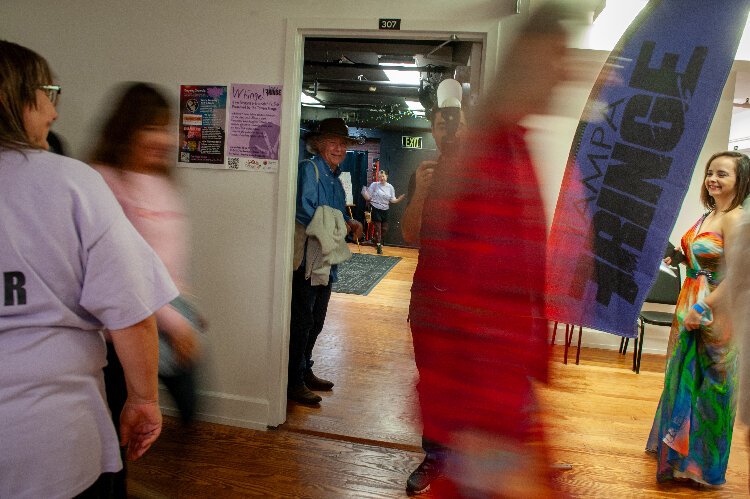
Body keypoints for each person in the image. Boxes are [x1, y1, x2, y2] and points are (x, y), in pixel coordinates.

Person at [405, 4, 576, 496]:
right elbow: (462, 296)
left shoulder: (512, 146)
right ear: (530, 60)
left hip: (501, 392)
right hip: (482, 402)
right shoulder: (488, 157)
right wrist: (485, 424)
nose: (566, 74)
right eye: (557, 59)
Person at [0, 40, 178, 497]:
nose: (54, 113)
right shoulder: (72, 183)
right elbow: (132, 312)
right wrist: (143, 400)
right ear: (17, 98)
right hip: (46, 433)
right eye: (47, 93)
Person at [647, 151, 750, 486]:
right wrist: (678, 254)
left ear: (741, 180)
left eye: (723, 174)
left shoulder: (736, 219)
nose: (713, 179)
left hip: (715, 313)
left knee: (711, 388)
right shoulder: (709, 214)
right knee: (683, 379)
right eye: (710, 172)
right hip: (689, 302)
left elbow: (739, 274)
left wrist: (705, 308)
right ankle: (677, 458)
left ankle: (701, 468)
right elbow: (705, 258)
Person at [401, 107, 467, 494]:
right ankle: (436, 456)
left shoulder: (481, 174)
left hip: (469, 302)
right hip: (428, 299)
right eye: (443, 125)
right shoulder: (423, 174)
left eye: (456, 123)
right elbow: (410, 233)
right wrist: (422, 192)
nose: (450, 131)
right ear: (434, 130)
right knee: (433, 382)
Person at [289, 117, 363, 406]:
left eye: (343, 143)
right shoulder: (310, 170)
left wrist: (349, 221)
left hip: (328, 258)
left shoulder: (335, 176)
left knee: (317, 320)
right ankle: (293, 380)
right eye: (333, 141)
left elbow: (335, 213)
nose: (339, 147)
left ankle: (305, 370)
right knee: (302, 320)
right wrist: (337, 225)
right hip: (308, 258)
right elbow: (303, 211)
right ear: (319, 143)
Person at [361, 170, 405, 254]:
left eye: (383, 176)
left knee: (384, 229)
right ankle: (378, 246)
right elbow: (368, 196)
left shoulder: (390, 187)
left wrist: (399, 199)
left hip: (385, 210)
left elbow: (393, 199)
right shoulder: (374, 185)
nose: (381, 178)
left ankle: (374, 240)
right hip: (376, 208)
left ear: (386, 177)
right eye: (380, 176)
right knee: (378, 228)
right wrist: (365, 195)